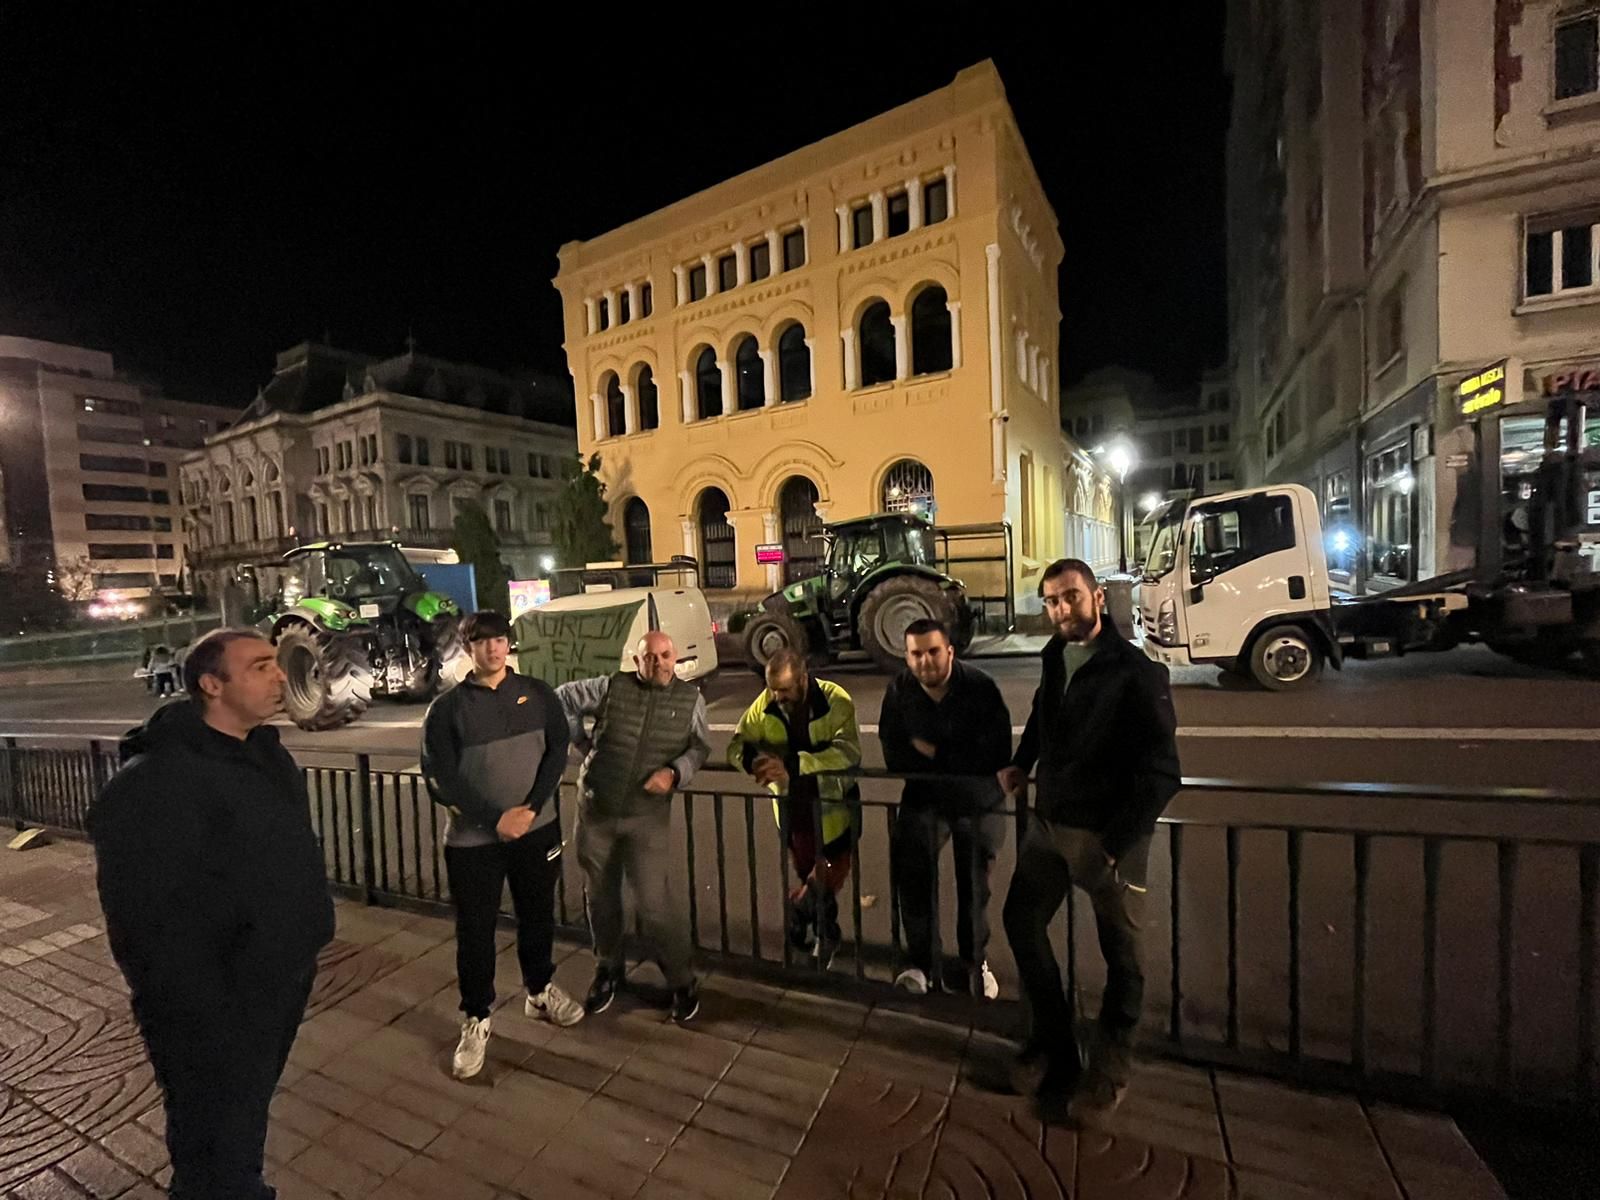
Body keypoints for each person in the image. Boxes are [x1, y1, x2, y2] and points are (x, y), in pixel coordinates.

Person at [89, 628, 334, 1200]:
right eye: (260, 667)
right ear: (211, 684)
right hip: (213, 1007)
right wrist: (205, 1007)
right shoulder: (154, 782)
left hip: (276, 981)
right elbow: (145, 927)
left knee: (243, 1118)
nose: (280, 676)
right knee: (210, 1132)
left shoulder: (266, 753)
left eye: (276, 664)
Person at [999, 558, 1181, 1127]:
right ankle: (1055, 1047)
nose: (1061, 609)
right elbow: (1042, 717)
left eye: (1071, 597)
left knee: (1123, 958)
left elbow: (1161, 774)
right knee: (1022, 923)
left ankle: (1110, 1068)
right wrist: (1022, 762)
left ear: (1097, 597)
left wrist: (1115, 843)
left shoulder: (1135, 672)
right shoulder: (1056, 655)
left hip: (1107, 839)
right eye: (1051, 600)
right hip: (1049, 826)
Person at [422, 610, 581, 1082]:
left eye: (500, 640)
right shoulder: (447, 710)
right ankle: (476, 1017)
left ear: (509, 645)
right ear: (467, 648)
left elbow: (557, 753)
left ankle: (539, 990)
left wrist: (530, 809)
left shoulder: (539, 695)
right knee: (476, 930)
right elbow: (441, 779)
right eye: (482, 641)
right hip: (474, 842)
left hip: (537, 829)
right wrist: (496, 818)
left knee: (537, 914)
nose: (493, 648)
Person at [557, 631, 710, 1023]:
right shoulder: (612, 687)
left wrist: (675, 773)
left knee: (655, 904)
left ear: (675, 659)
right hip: (597, 811)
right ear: (636, 660)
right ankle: (609, 968)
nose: (657, 662)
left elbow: (699, 747)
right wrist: (582, 746)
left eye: (664, 656)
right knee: (601, 899)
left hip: (647, 817)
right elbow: (562, 699)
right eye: (649, 656)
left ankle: (681, 980)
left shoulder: (690, 699)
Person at [880, 618, 1011, 999]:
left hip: (977, 801)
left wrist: (934, 751)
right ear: (906, 657)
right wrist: (957, 756)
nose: (925, 661)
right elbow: (895, 755)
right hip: (923, 800)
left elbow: (995, 753)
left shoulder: (981, 688)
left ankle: (974, 963)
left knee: (974, 888)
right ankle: (921, 963)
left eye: (933, 651)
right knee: (914, 881)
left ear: (950, 651)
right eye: (916, 654)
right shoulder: (899, 691)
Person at [727, 649, 862, 968]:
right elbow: (736, 746)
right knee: (810, 876)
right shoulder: (766, 703)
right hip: (792, 811)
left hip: (836, 809)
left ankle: (806, 916)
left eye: (784, 689)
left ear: (803, 679)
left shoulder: (833, 699)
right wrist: (754, 761)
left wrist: (792, 764)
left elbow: (848, 752)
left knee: (829, 876)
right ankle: (824, 933)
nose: (777, 696)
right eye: (772, 688)